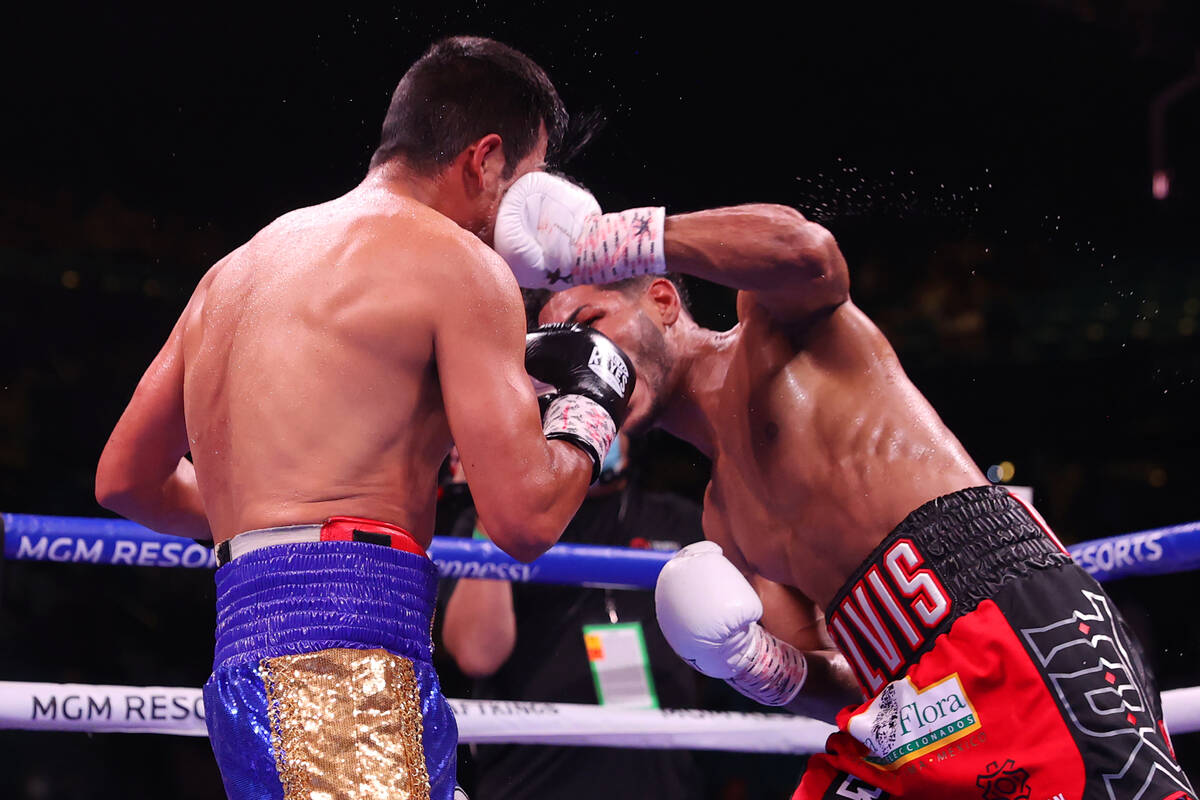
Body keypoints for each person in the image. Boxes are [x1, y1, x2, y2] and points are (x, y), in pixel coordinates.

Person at [489, 172, 1195, 798]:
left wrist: (602, 241)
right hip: (913, 707)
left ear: (666, 300)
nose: (588, 358)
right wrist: (759, 668)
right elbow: (848, 687)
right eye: (567, 352)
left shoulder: (774, 329)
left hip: (1014, 618)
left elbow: (808, 251)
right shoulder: (725, 522)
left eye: (591, 325)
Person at [93, 38, 636, 800]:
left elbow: (125, 480)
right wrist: (592, 404)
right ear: (483, 160)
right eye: (527, 186)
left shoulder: (237, 270)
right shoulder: (459, 265)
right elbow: (524, 519)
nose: (519, 222)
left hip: (255, 659)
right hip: (343, 669)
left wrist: (273, 525)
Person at [440, 435, 705, 799]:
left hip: (658, 779)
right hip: (534, 779)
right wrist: (496, 509)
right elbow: (477, 653)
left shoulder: (678, 519)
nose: (600, 434)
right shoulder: (502, 525)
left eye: (613, 419)